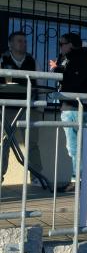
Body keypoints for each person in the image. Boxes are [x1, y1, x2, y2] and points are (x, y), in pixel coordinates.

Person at [50, 32, 87, 192]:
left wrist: (57, 70)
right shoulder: (85, 58)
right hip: (85, 108)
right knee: (85, 147)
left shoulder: (75, 60)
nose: (60, 47)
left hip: (72, 108)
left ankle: (78, 181)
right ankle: (82, 180)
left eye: (61, 44)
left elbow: (73, 82)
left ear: (70, 44)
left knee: (74, 148)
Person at [0, 31, 42, 180]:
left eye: (25, 41)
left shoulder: (32, 60)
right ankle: (0, 176)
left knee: (32, 143)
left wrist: (39, 106)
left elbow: (40, 82)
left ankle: (37, 177)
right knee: (3, 143)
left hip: (28, 107)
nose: (23, 44)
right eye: (19, 41)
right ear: (10, 44)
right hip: (5, 107)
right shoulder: (2, 59)